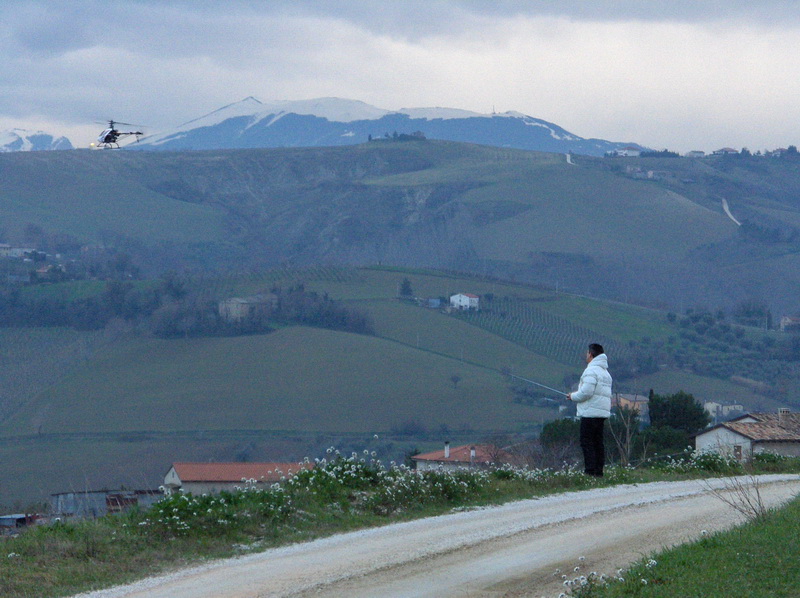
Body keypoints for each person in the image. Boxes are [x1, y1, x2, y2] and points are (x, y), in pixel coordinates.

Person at [566, 343, 612, 477]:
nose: (586, 356)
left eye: (587, 353)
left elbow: (586, 392)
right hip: (601, 413)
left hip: (590, 412)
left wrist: (572, 396)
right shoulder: (605, 372)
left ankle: (590, 471)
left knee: (587, 442)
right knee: (598, 442)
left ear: (591, 355)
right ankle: (599, 471)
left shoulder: (591, 371)